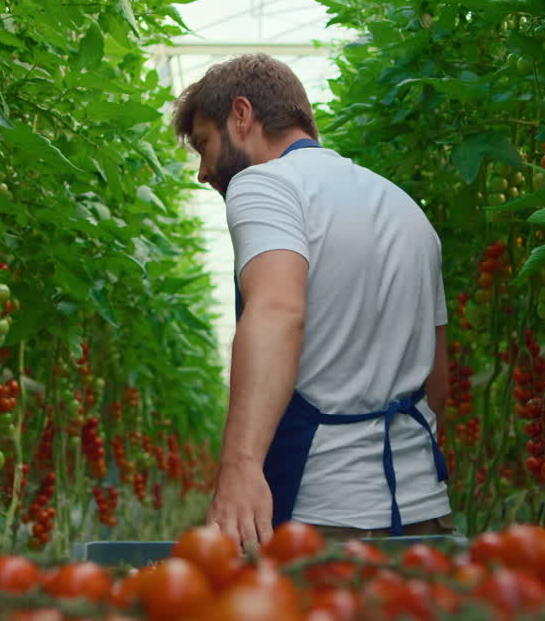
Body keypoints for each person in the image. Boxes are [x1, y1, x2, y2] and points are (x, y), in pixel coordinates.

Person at [171, 54, 453, 551]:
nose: (202, 171)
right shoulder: (404, 207)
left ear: (242, 115)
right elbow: (439, 379)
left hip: (321, 518)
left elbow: (278, 311)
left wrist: (240, 465)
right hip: (423, 514)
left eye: (204, 144)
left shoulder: (265, 183)